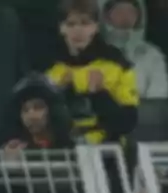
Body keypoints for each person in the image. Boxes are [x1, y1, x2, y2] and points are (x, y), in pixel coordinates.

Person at [45, 0, 139, 144]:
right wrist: (63, 92)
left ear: (95, 27)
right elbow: (39, 122)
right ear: (61, 28)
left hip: (108, 151)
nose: (78, 30)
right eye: (71, 24)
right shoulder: (49, 67)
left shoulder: (116, 64)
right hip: (62, 150)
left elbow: (128, 122)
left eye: (85, 23)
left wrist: (99, 93)